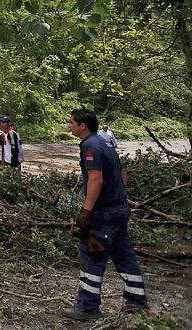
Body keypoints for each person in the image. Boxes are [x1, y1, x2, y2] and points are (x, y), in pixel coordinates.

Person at [62, 109, 149, 320]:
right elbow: (121, 173)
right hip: (119, 208)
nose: (68, 126)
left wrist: (86, 211)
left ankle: (87, 307)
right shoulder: (105, 142)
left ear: (83, 125)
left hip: (104, 211)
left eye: (71, 122)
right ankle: (137, 302)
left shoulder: (90, 145)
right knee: (123, 255)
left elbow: (96, 179)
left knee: (92, 253)